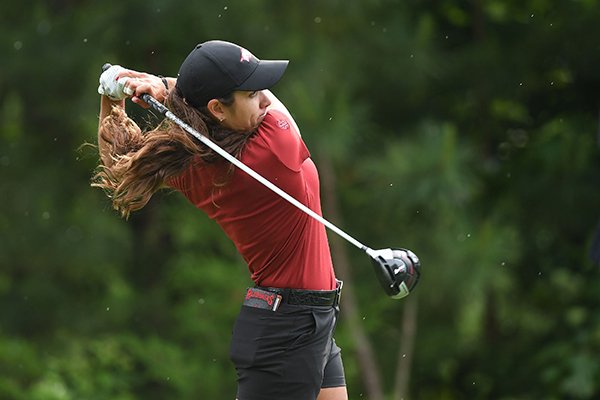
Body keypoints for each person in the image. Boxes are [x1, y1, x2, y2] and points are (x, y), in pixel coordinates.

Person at [95, 40, 348, 400]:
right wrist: (165, 87)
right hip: (288, 331)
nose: (263, 99)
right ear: (217, 108)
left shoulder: (195, 167)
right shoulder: (274, 148)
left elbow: (117, 159)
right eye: (251, 93)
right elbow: (278, 107)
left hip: (303, 321)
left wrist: (110, 96)